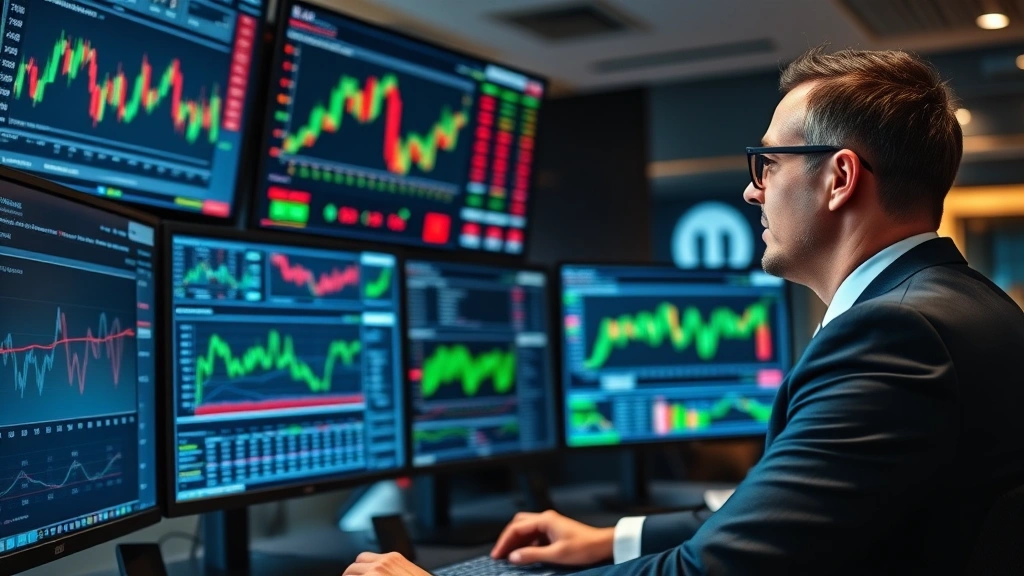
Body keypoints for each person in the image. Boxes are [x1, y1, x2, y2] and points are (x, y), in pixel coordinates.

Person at [342, 46, 1024, 576]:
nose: (754, 192)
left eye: (768, 165)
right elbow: (788, 514)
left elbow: (718, 569)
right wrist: (616, 538)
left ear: (840, 178)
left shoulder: (894, 336)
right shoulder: (964, 306)